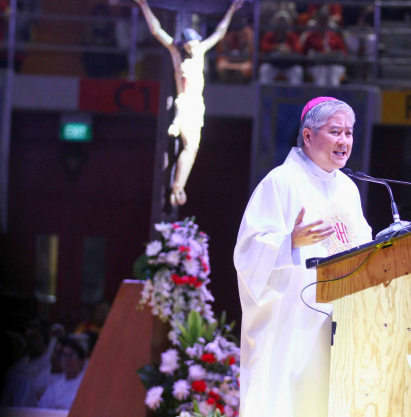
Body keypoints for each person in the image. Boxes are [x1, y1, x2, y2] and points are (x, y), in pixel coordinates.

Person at [234, 98, 372, 417]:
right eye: (335, 131)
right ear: (308, 136)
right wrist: (289, 243)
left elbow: (362, 247)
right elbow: (248, 251)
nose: (344, 141)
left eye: (349, 132)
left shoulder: (348, 189)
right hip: (292, 325)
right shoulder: (281, 182)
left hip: (340, 322)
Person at [133, 0, 244, 206]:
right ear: (184, 45)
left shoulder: (199, 51)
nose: (193, 47)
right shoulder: (177, 54)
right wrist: (144, 6)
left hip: (196, 106)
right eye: (190, 45)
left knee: (192, 148)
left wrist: (231, 10)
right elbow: (157, 31)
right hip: (185, 104)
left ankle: (178, 186)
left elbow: (219, 33)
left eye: (194, 44)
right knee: (190, 147)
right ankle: (177, 187)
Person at [301, 5, 348, 87]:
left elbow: (344, 53)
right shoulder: (310, 36)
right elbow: (304, 54)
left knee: (333, 79)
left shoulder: (334, 36)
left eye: (325, 19)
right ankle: (320, 95)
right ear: (317, 20)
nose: (323, 22)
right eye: (321, 19)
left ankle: (333, 95)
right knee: (321, 77)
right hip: (316, 65)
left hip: (333, 64)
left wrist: (332, 55)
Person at [38, 336, 87, 410]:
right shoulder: (54, 388)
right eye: (64, 355)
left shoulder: (86, 385)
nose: (67, 359)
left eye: (72, 355)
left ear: (81, 360)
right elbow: (41, 410)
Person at [259, 11, 304, 85]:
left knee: (297, 70)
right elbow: (264, 47)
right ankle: (265, 92)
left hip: (288, 65)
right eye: (280, 23)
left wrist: (289, 49)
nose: (282, 25)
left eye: (284, 23)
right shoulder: (269, 35)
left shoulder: (292, 36)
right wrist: (276, 47)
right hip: (273, 64)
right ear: (275, 23)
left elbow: (298, 49)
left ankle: (295, 92)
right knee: (264, 68)